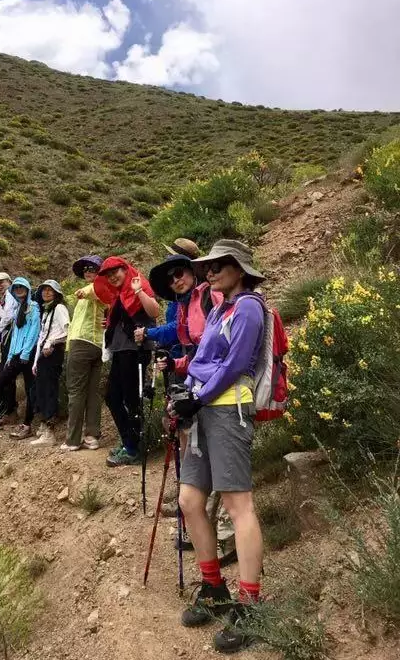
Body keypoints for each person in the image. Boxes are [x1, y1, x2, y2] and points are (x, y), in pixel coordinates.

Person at [167, 240, 267, 654]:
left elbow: (236, 363)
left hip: (228, 411)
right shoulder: (219, 309)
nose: (211, 272)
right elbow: (203, 362)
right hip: (204, 410)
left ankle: (250, 602)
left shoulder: (247, 307)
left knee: (237, 504)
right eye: (207, 266)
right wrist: (185, 394)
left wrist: (200, 396)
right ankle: (214, 588)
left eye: (220, 265)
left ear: (240, 269)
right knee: (190, 500)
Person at [139, 256, 236, 566]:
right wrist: (178, 364)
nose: (175, 280)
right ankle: (201, 521)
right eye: (169, 279)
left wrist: (182, 363)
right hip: (197, 386)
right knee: (192, 448)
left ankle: (225, 530)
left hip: (220, 390)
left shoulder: (210, 296)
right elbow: (197, 349)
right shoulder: (184, 304)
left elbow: (218, 346)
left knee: (221, 458)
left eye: (178, 274)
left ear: (191, 272)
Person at [94, 257, 159, 467]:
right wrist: (111, 321)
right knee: (112, 397)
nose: (112, 277)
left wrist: (139, 292)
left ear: (125, 269)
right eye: (108, 274)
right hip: (121, 350)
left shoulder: (137, 286)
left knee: (131, 400)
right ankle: (129, 441)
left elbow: (154, 311)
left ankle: (132, 448)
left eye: (116, 271)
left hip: (136, 350)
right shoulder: (117, 296)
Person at [61, 255, 105, 452]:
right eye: (86, 269)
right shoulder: (104, 290)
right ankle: (92, 436)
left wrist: (82, 291)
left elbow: (93, 289)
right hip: (97, 345)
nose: (88, 271)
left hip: (81, 343)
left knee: (76, 391)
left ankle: (73, 439)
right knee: (92, 392)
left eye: (92, 268)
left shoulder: (96, 288)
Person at [0, 277, 40, 431]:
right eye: (16, 288)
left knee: (29, 388)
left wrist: (25, 353)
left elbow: (34, 332)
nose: (19, 290)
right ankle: (10, 411)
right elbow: (16, 335)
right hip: (17, 354)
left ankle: (28, 423)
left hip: (28, 355)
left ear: (27, 289)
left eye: (21, 287)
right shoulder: (18, 309)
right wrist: (11, 356)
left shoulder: (34, 307)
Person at [28, 280, 70, 447]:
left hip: (53, 353)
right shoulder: (46, 311)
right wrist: (36, 360)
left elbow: (68, 331)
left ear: (56, 293)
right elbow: (41, 337)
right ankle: (44, 425)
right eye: (44, 290)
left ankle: (49, 432)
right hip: (44, 355)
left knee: (49, 390)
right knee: (39, 390)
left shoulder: (59, 308)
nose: (46, 292)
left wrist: (52, 343)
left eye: (50, 290)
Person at [0, 272, 18, 395]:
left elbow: (8, 316)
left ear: (9, 282)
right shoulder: (6, 296)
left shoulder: (10, 295)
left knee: (6, 368)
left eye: (2, 282)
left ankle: (8, 404)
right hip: (8, 334)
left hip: (11, 334)